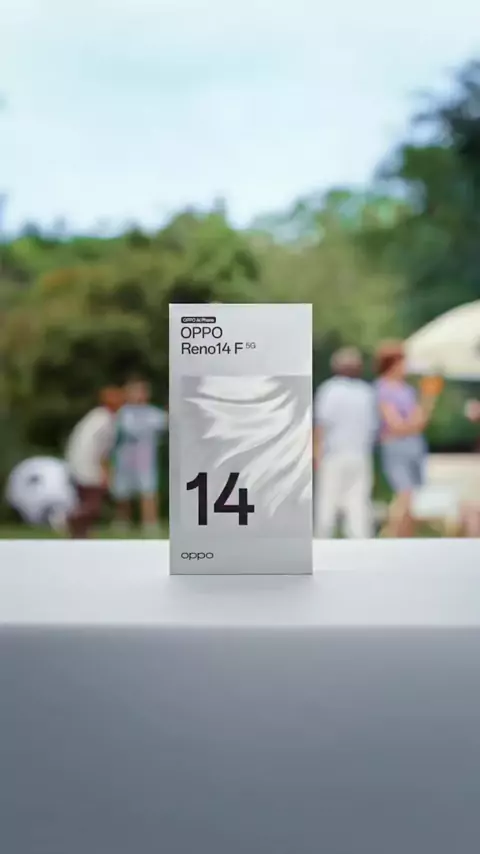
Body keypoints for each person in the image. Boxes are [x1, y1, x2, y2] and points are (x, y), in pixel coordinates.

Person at [375, 341, 439, 537]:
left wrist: (429, 397)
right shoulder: (383, 389)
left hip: (414, 446)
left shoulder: (407, 389)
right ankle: (390, 536)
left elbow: (420, 421)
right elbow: (396, 425)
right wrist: (411, 424)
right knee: (404, 493)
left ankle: (405, 539)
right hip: (396, 447)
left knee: (411, 498)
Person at [313, 347, 377, 538]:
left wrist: (315, 453)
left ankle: (323, 536)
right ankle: (359, 537)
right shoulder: (366, 392)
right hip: (360, 453)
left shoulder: (330, 390)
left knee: (328, 497)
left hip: (334, 453)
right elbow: (373, 427)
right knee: (358, 499)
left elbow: (321, 425)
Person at [111, 375, 168, 536]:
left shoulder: (153, 413)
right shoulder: (122, 413)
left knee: (148, 490)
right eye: (135, 391)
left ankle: (150, 523)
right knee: (122, 492)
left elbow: (168, 423)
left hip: (145, 459)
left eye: (142, 391)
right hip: (124, 458)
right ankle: (122, 522)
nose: (139, 395)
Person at [65, 386, 124, 538]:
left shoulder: (96, 416)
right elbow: (103, 451)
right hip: (88, 464)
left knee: (87, 500)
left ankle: (81, 533)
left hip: (76, 461)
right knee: (93, 504)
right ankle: (70, 519)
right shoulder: (107, 420)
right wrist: (105, 472)